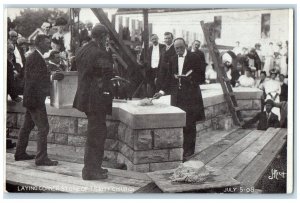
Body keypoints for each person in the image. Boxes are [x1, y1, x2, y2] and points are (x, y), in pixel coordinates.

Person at [153, 38, 205, 160]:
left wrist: (189, 78)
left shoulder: (194, 57)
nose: (178, 51)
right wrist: (161, 92)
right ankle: (181, 148)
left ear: (185, 46)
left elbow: (201, 76)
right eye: (176, 48)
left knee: (190, 122)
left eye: (180, 48)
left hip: (191, 95)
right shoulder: (172, 59)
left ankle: (189, 150)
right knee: (179, 121)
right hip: (177, 96)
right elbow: (169, 79)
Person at [73, 24, 114, 180]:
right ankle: (91, 171)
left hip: (86, 98)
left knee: (94, 133)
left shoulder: (82, 49)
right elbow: (107, 73)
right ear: (103, 37)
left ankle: (93, 167)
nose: (107, 40)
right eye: (107, 37)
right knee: (97, 134)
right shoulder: (100, 52)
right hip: (96, 100)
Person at [14, 34, 62, 165]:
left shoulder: (35, 57)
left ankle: (19, 153)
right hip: (35, 99)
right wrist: (52, 78)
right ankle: (41, 158)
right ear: (39, 43)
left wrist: (49, 75)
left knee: (26, 127)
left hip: (31, 98)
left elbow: (35, 77)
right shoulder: (36, 58)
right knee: (43, 128)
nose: (49, 45)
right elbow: (36, 79)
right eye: (47, 42)